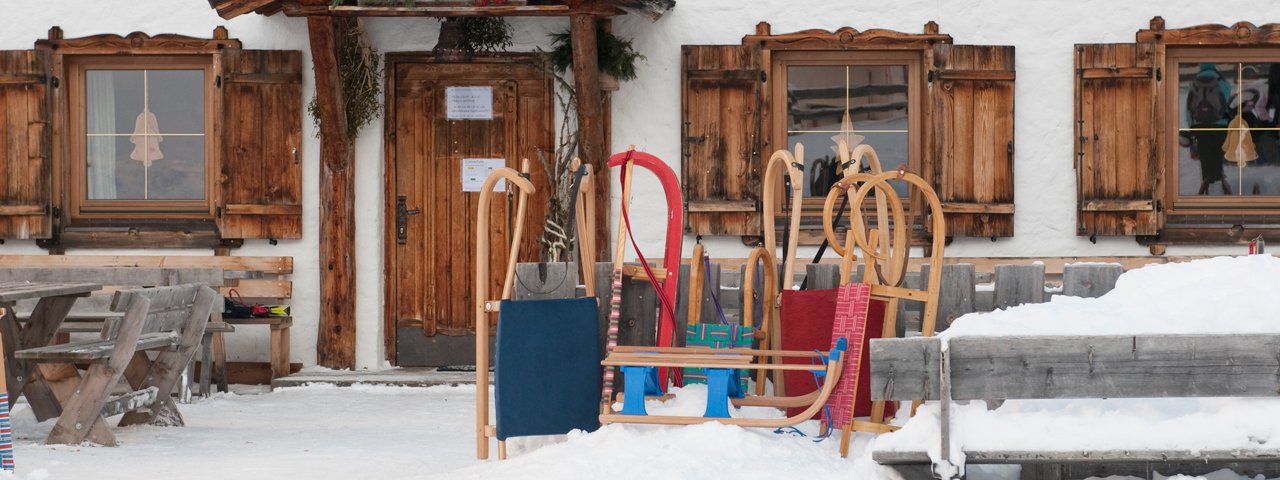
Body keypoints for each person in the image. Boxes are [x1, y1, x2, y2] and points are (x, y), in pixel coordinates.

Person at [1185, 64, 1232, 195]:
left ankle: (1206, 188)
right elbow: (1228, 102)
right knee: (1217, 157)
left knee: (1205, 160)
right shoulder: (1221, 81)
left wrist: (1192, 126)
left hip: (1200, 127)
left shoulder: (1194, 82)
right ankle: (1219, 186)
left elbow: (1188, 108)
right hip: (1220, 126)